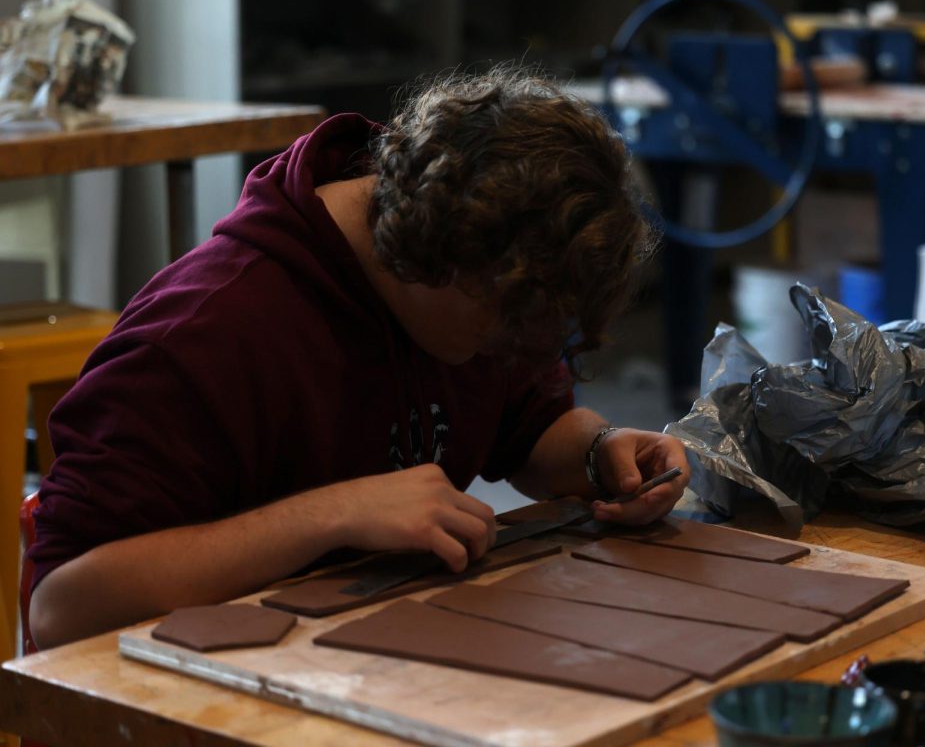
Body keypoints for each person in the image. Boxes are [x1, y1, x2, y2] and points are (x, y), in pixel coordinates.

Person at [28, 67, 691, 649]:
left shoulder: (484, 280)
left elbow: (525, 427)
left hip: (361, 656)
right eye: (510, 330)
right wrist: (328, 515)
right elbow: (61, 607)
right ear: (440, 258)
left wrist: (599, 452)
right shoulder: (203, 335)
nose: (513, 352)